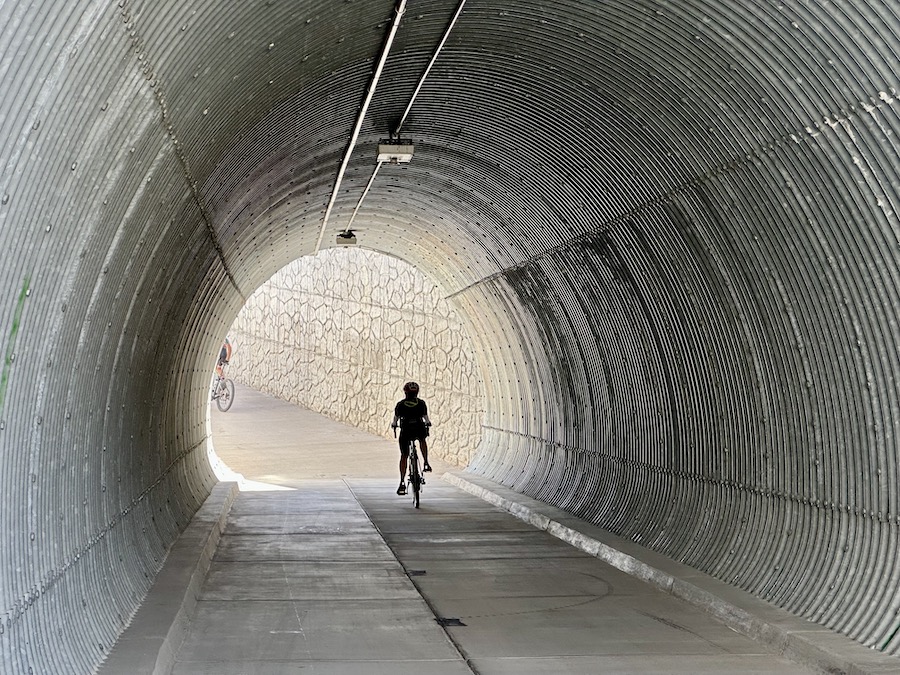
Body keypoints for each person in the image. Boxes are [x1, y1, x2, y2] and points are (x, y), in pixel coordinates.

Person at [391, 381, 432, 495]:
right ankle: (426, 462)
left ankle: (402, 481)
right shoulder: (421, 403)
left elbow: (395, 418)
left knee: (404, 455)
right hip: (418, 428)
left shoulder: (400, 404)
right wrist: (428, 423)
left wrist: (394, 425)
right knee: (422, 440)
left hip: (406, 430)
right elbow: (425, 417)